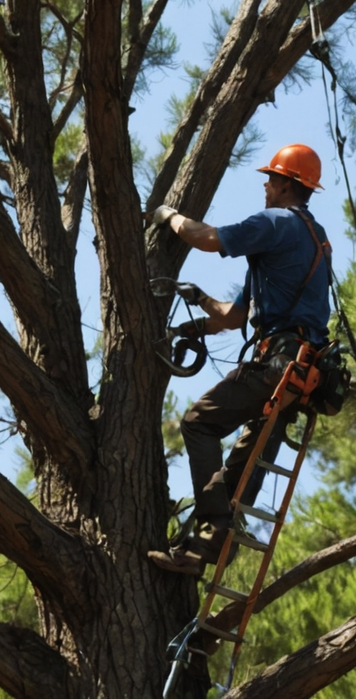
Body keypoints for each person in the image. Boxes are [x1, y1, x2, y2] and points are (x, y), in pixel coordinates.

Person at [145, 143, 332, 576]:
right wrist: (197, 311)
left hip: (278, 366)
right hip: (299, 375)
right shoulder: (313, 237)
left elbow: (207, 239)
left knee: (198, 422)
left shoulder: (276, 222)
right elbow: (234, 318)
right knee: (238, 476)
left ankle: (216, 528)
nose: (266, 185)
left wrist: (169, 216)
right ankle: (202, 553)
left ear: (288, 184)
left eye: (272, 178)